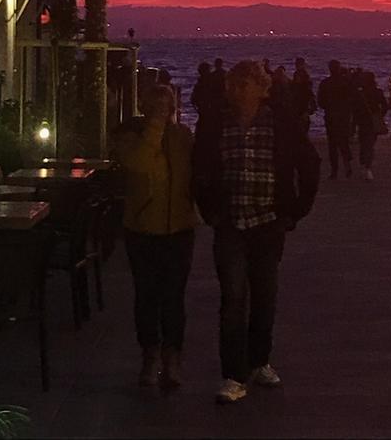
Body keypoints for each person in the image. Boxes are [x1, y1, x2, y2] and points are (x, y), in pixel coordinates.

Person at [192, 60, 320, 404]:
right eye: (234, 84)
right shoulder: (215, 122)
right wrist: (209, 208)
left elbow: (309, 163)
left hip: (268, 221)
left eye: (244, 84)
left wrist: (295, 210)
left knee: (264, 294)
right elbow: (200, 164)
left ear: (261, 89)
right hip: (230, 220)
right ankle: (234, 374)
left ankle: (260, 359)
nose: (236, 90)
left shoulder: (281, 123)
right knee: (233, 298)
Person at [113, 85, 197, 389]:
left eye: (168, 105)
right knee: (147, 296)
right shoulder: (129, 135)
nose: (164, 110)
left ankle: (172, 356)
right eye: (157, 105)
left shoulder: (183, 137)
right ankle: (149, 355)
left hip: (179, 228)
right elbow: (140, 164)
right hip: (142, 230)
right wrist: (154, 128)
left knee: (174, 297)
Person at [317, 60, 354, 179]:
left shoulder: (325, 83)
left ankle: (334, 171)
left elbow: (321, 101)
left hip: (331, 116)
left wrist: (329, 106)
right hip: (343, 116)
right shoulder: (346, 82)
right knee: (344, 142)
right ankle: (347, 164)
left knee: (332, 144)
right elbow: (352, 98)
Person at [354, 71, 389, 181]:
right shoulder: (377, 92)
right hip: (373, 121)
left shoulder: (360, 93)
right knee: (370, 145)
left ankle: (363, 164)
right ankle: (368, 167)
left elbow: (355, 108)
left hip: (362, 121)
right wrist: (380, 115)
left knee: (363, 143)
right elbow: (385, 105)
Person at [292, 57, 316, 141]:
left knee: (302, 130)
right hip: (299, 107)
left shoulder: (304, 77)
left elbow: (308, 94)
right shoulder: (298, 75)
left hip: (302, 108)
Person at [191, 61, 216, 137]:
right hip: (209, 112)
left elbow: (193, 100)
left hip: (206, 112)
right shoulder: (208, 83)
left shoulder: (200, 84)